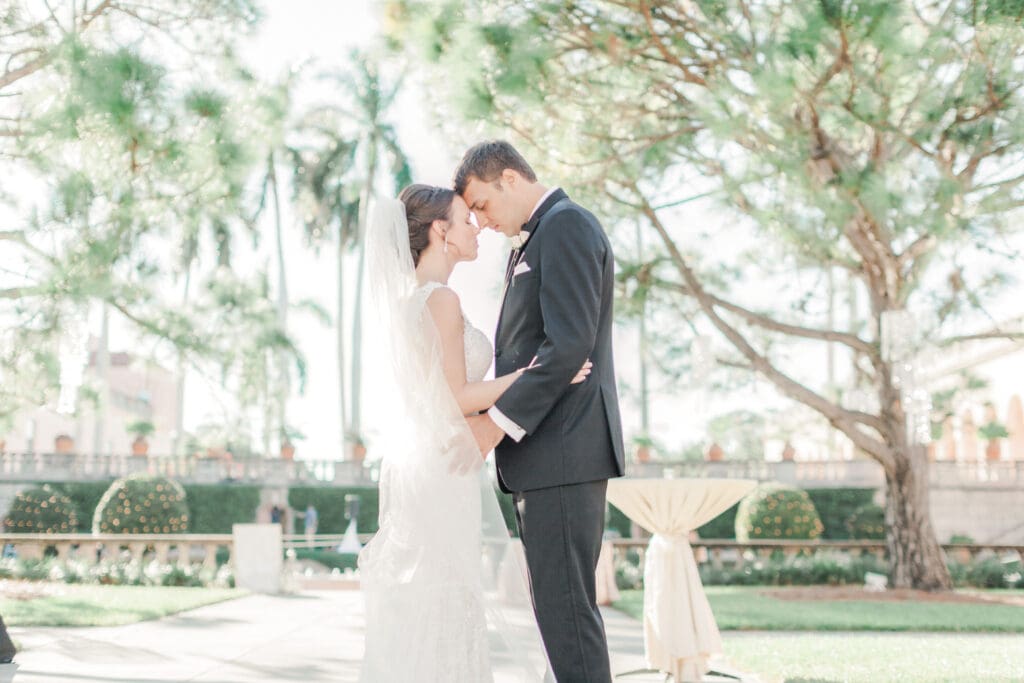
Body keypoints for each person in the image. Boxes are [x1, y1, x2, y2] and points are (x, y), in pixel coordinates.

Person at [357, 184, 591, 682]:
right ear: (440, 231)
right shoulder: (439, 299)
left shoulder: (412, 301)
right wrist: (540, 374)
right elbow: (456, 397)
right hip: (445, 467)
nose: (477, 228)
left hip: (433, 464)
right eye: (466, 219)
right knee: (451, 596)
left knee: (441, 596)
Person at [457, 140, 626, 683]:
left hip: (563, 449)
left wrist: (495, 423)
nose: (480, 221)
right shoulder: (539, 236)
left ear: (510, 178)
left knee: (567, 613)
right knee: (559, 610)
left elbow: (569, 342)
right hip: (549, 455)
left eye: (481, 204)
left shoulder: (567, 225)